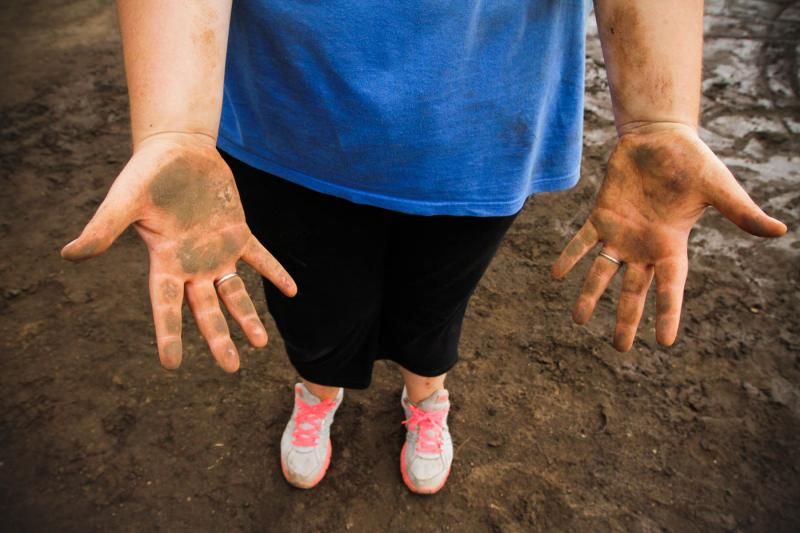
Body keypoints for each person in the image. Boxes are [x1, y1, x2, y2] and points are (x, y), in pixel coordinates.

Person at [60, 1, 786, 494]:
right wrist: (175, 127)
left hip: (481, 120)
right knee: (310, 301)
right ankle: (318, 390)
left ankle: (426, 395)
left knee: (435, 298)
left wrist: (659, 115)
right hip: (290, 118)